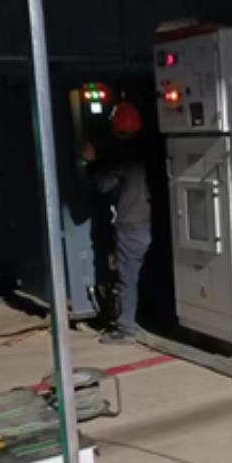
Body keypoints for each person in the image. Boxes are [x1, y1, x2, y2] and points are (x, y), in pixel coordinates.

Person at [82, 99, 152, 344]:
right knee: (147, 273)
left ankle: (126, 329)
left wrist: (91, 162)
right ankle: (150, 319)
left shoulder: (121, 158)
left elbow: (103, 185)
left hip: (131, 224)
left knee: (127, 277)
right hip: (151, 220)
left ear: (115, 128)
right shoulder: (148, 151)